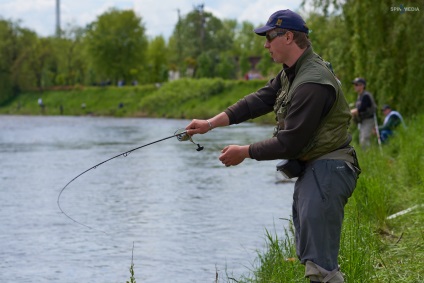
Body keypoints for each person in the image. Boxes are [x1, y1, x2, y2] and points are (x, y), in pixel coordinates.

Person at [185, 9, 360, 283]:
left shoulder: (312, 82)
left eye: (269, 38)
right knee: (313, 260)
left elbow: (290, 142)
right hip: (315, 170)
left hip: (329, 170)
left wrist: (244, 152)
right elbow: (259, 100)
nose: (265, 45)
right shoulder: (291, 73)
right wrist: (210, 123)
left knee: (323, 268)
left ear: (288, 37)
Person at [350, 77, 377, 149]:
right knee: (361, 138)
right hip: (363, 121)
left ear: (362, 86)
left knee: (364, 138)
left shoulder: (366, 96)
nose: (354, 86)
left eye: (356, 85)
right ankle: (366, 154)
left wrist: (349, 112)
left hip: (368, 120)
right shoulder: (360, 96)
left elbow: (361, 108)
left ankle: (368, 155)